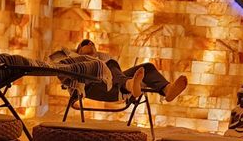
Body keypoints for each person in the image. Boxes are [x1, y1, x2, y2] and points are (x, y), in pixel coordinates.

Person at [52, 39, 188, 104]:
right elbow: (59, 67)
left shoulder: (105, 60)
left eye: (92, 43)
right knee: (109, 65)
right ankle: (130, 84)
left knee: (147, 67)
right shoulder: (75, 60)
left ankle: (167, 90)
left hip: (113, 85)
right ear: (78, 50)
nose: (90, 44)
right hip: (92, 87)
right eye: (85, 43)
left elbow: (114, 72)